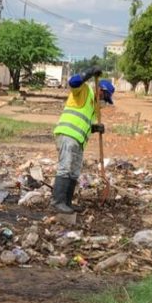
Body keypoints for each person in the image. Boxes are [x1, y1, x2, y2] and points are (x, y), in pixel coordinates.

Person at [51, 69, 114, 213]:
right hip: (67, 135)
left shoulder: (93, 106)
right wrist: (90, 72)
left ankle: (67, 202)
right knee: (65, 167)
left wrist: (94, 128)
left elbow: (83, 124)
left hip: (78, 140)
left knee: (74, 171)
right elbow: (73, 81)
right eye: (105, 97)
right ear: (101, 91)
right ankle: (57, 202)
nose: (104, 101)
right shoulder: (84, 91)